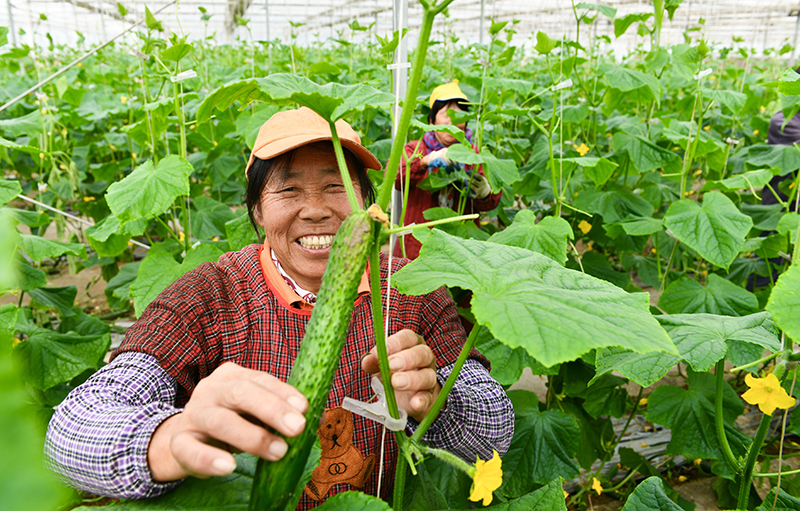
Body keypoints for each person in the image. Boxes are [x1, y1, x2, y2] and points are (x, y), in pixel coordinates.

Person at [44, 107, 514, 509]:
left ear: (369, 206)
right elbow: (72, 428)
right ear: (256, 212)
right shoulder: (210, 293)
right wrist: (166, 439)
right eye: (289, 191)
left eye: (336, 188)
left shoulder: (415, 287)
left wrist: (439, 401)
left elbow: (495, 427)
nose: (315, 210)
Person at [394, 81, 502, 260]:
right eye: (446, 114)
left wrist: (486, 192)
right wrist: (425, 161)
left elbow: (491, 202)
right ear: (432, 119)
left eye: (458, 115)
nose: (452, 121)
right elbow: (396, 177)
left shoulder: (476, 154)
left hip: (463, 248)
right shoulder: (415, 149)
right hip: (418, 247)